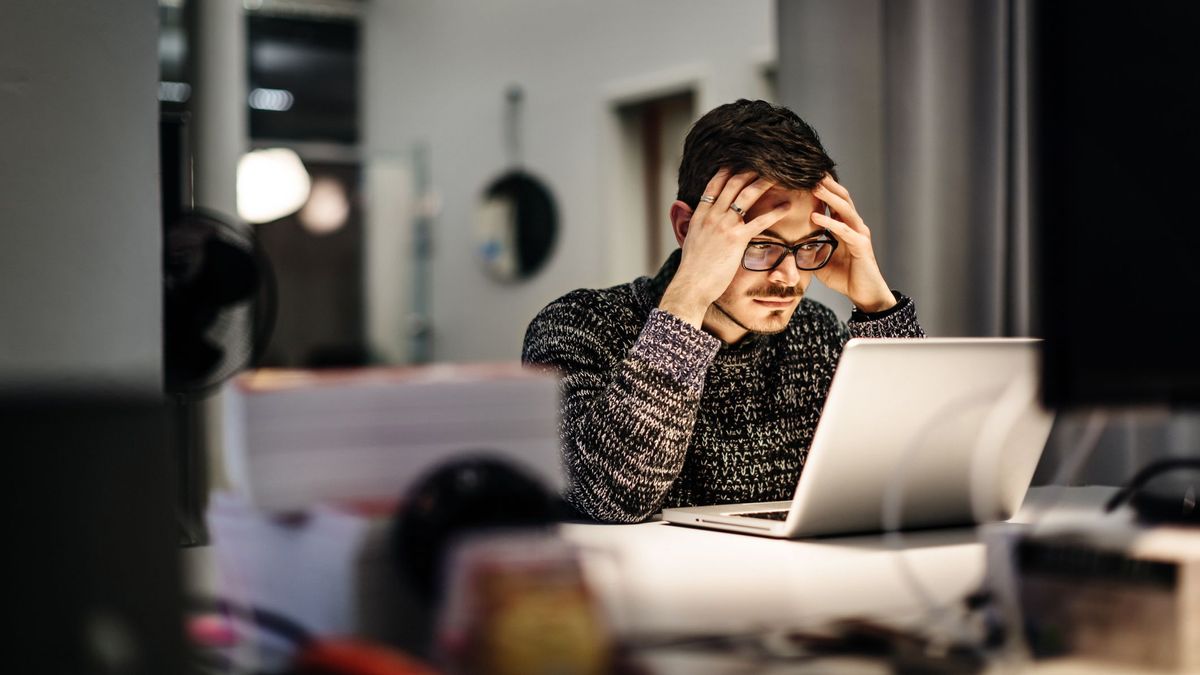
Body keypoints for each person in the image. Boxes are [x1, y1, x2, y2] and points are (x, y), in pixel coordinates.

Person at [522, 99, 924, 523]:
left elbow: (919, 471)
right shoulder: (578, 326)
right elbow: (613, 499)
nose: (788, 276)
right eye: (761, 244)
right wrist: (689, 295)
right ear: (686, 228)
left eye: (807, 245)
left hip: (797, 583)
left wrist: (879, 308)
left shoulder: (816, 334)